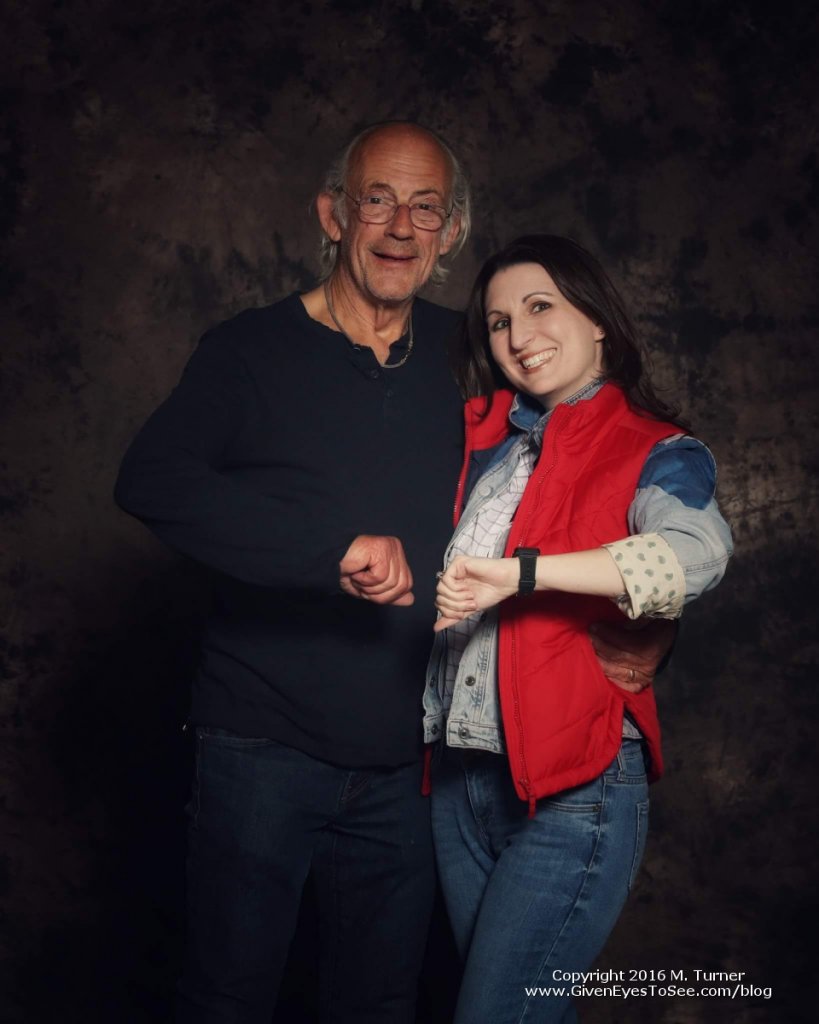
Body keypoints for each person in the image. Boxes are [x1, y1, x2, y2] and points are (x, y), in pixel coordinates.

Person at [115, 123, 675, 1024]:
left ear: (451, 234)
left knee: (379, 1002)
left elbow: (598, 467)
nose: (400, 227)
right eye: (378, 200)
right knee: (226, 995)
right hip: (261, 742)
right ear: (334, 213)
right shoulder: (248, 351)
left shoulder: (476, 356)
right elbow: (151, 480)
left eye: (426, 208)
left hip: (413, 767)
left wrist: (651, 620)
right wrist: (328, 551)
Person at [426, 234, 733, 1023]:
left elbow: (694, 555)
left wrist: (526, 574)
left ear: (595, 318)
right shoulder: (485, 448)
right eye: (497, 323)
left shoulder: (655, 450)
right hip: (459, 779)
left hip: (574, 790)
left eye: (539, 307)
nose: (519, 336)